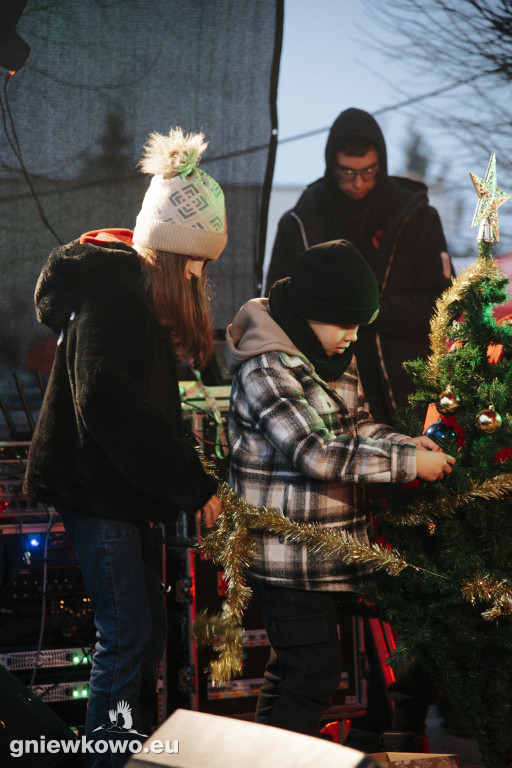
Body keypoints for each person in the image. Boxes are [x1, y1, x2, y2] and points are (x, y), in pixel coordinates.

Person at [23, 128, 226, 767]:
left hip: (116, 494)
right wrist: (192, 484)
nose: (199, 274)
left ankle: (127, 755)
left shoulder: (128, 296)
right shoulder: (116, 296)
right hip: (99, 491)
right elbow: (107, 402)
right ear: (171, 250)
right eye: (196, 260)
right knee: (126, 635)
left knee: (141, 633)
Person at [226, 239, 455, 737]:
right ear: (311, 312)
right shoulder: (266, 367)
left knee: (292, 671)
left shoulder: (330, 353)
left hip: (327, 550)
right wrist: (407, 463)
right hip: (285, 555)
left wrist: (405, 443)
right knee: (313, 675)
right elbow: (316, 451)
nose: (352, 337)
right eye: (345, 325)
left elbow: (358, 427)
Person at [264, 107, 454, 426]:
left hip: (405, 388)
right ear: (330, 166)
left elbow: (443, 305)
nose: (357, 183)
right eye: (347, 172)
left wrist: (373, 311)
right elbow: (278, 305)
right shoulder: (299, 223)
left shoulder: (418, 219)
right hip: (324, 387)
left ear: (381, 166)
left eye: (368, 171)